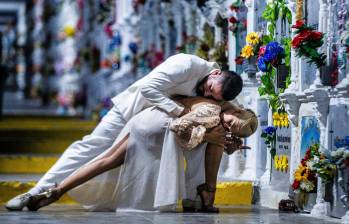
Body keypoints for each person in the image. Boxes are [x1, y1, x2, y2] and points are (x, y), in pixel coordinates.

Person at [6, 53, 243, 211]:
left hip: (156, 124)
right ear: (215, 73)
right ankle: (37, 191)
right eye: (210, 89)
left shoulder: (217, 90)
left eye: (213, 96)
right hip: (130, 111)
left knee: (205, 140)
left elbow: (235, 115)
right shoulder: (187, 64)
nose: (207, 93)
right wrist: (182, 112)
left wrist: (231, 136)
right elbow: (148, 87)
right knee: (91, 146)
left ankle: (196, 200)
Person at [24, 97, 257, 212]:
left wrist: (226, 143)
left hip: (149, 119)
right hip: (159, 127)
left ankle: (55, 191)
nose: (226, 128)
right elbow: (178, 128)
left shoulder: (223, 106)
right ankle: (207, 194)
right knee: (110, 159)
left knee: (108, 160)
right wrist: (209, 137)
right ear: (235, 111)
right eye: (230, 124)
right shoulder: (212, 112)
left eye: (231, 129)